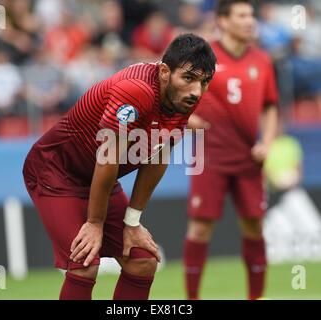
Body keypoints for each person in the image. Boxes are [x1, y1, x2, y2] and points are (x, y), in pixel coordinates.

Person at [23, 33, 216, 300]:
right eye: (189, 78)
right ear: (163, 72)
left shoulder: (182, 97)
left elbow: (159, 156)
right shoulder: (135, 91)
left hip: (98, 177)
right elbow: (107, 158)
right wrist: (94, 222)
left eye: (205, 82)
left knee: (143, 261)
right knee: (85, 265)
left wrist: (132, 222)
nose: (197, 90)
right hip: (55, 172)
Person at [183, 0, 279, 300]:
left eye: (251, 15)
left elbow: (270, 106)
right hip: (208, 155)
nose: (250, 21)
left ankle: (256, 297)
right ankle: (191, 300)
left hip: (248, 156)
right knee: (199, 229)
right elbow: (172, 93)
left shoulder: (262, 60)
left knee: (254, 226)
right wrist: (186, 118)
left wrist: (268, 141)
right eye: (241, 15)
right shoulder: (201, 56)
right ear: (223, 21)